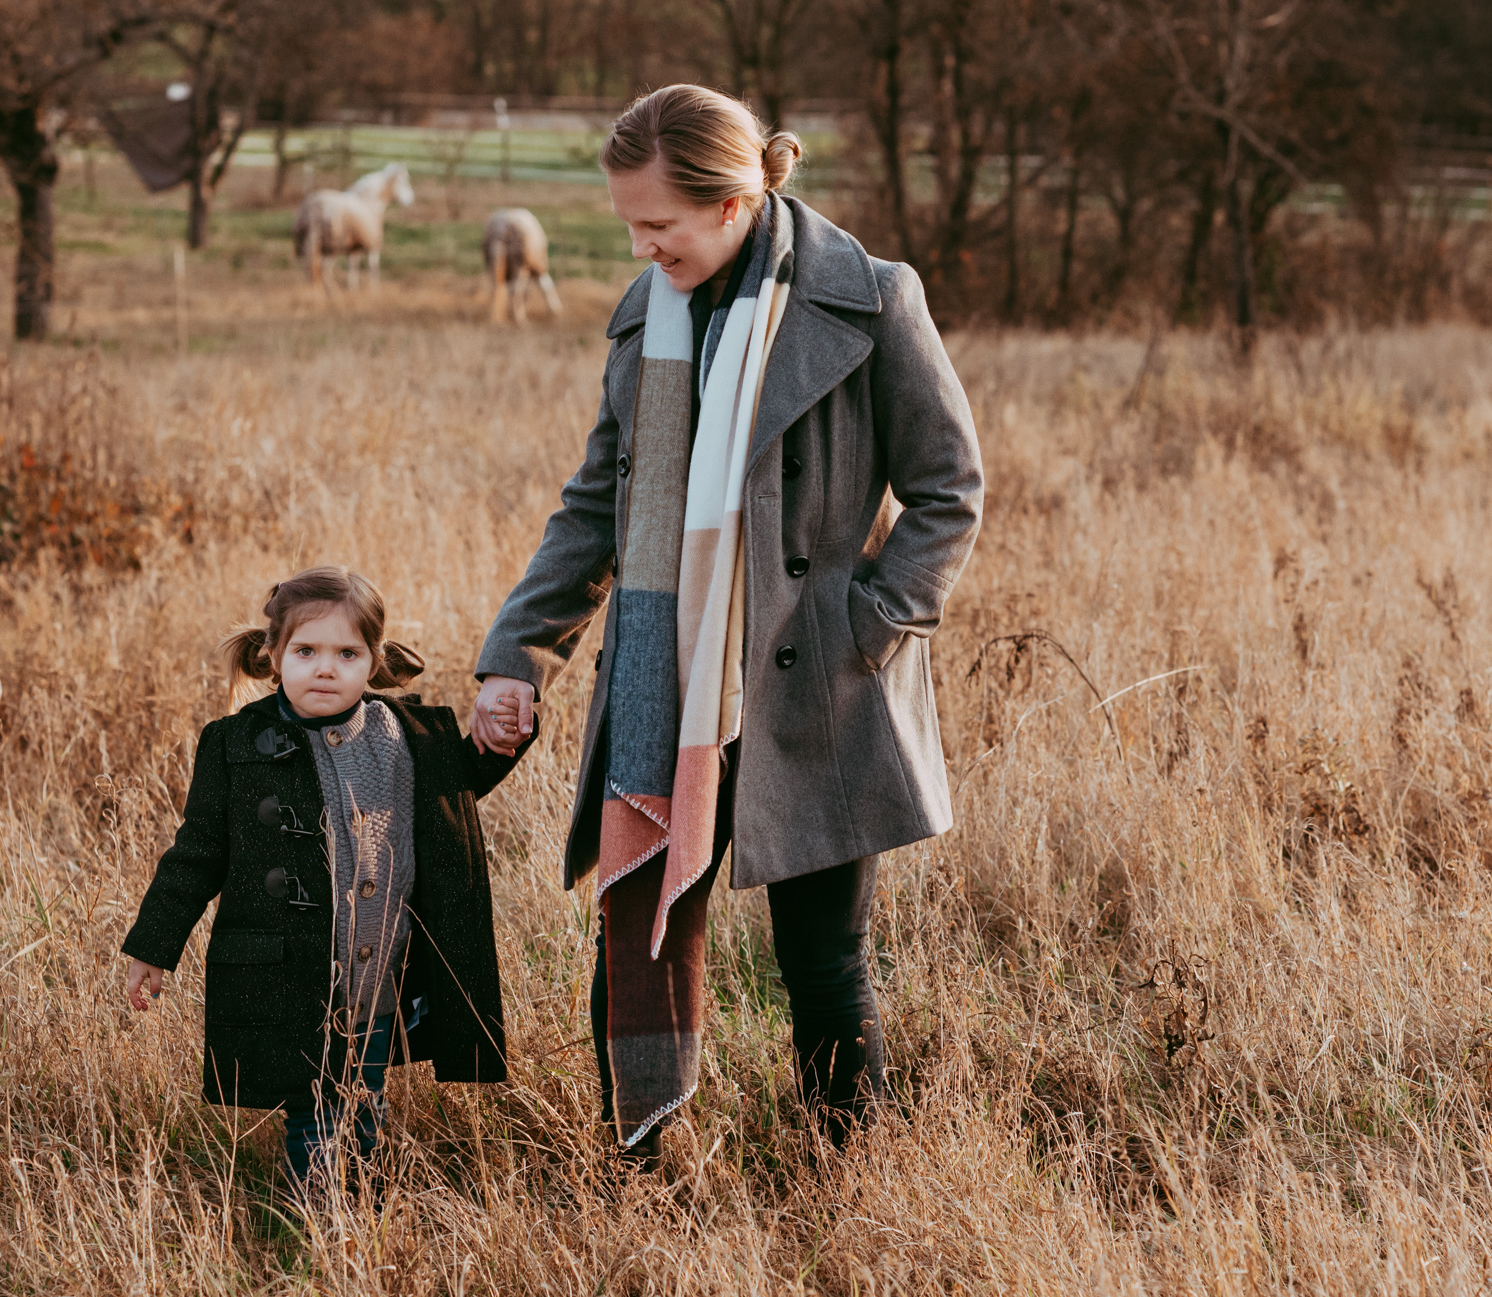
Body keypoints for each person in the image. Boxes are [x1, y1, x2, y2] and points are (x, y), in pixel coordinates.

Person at [470, 84, 983, 1158]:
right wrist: (519, 649)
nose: (642, 245)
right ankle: (642, 1177)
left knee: (823, 959)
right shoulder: (646, 318)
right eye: (629, 225)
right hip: (666, 672)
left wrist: (872, 625)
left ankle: (852, 1177)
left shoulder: (873, 301)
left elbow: (949, 490)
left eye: (659, 223)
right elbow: (597, 502)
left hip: (814, 680)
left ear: (736, 203)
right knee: (636, 937)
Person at [121, 566, 531, 1194]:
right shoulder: (236, 745)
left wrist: (503, 733)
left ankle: (357, 1214)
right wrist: (154, 946)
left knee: (363, 1105)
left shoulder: (407, 735)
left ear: (374, 660)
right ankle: (324, 1226)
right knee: (314, 1113)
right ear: (273, 655)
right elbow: (196, 853)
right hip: (290, 978)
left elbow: (465, 781)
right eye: (306, 651)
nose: (325, 669)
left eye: (347, 653)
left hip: (378, 982)